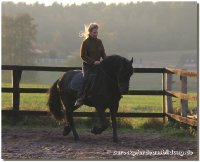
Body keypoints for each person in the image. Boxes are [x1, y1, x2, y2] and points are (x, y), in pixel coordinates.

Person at [74, 23, 106, 107]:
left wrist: (106, 61)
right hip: (88, 67)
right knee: (86, 79)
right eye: (94, 32)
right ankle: (80, 98)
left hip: (99, 66)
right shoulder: (85, 43)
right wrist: (93, 62)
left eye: (97, 32)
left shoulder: (99, 42)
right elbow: (83, 56)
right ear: (90, 32)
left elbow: (103, 54)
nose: (96, 34)